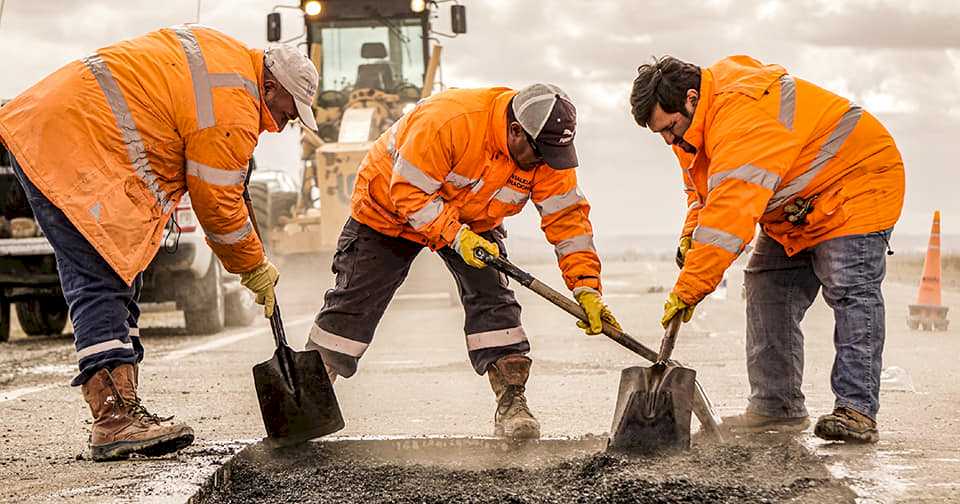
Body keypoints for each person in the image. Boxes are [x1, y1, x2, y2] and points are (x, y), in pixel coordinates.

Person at [0, 25, 318, 461]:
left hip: (71, 134)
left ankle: (125, 408)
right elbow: (218, 206)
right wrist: (253, 266)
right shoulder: (233, 104)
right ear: (270, 86)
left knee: (119, 273)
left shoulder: (230, 66)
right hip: (69, 141)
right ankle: (112, 419)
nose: (284, 125)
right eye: (288, 112)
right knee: (100, 277)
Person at [306, 84, 620, 439]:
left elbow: (568, 222)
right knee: (351, 306)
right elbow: (408, 191)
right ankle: (306, 403)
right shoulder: (449, 121)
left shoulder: (546, 150)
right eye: (540, 154)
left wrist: (586, 287)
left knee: (494, 304)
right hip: (387, 212)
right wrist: (455, 236)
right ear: (515, 130)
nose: (545, 162)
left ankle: (512, 402)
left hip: (473, 220)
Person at [629, 55, 904, 443]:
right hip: (796, 203)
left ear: (691, 98)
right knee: (767, 285)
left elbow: (728, 219)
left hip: (856, 182)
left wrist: (689, 288)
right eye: (661, 134)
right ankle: (777, 406)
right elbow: (704, 191)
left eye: (670, 128)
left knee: (850, 290)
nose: (669, 140)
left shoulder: (741, 117)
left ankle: (856, 412)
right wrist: (691, 233)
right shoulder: (693, 128)